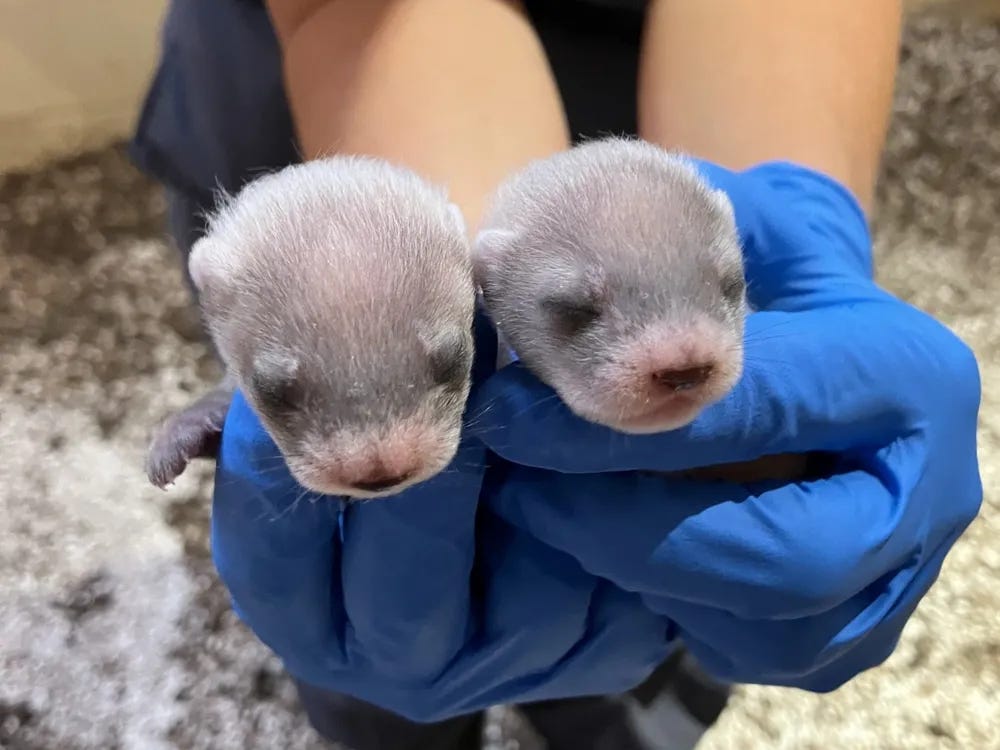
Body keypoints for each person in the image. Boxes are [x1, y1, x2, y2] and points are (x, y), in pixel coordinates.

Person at [129, 1, 984, 748]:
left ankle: (631, 713)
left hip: (643, 106)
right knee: (369, 617)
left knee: (663, 614)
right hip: (336, 70)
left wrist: (799, 211)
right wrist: (456, 295)